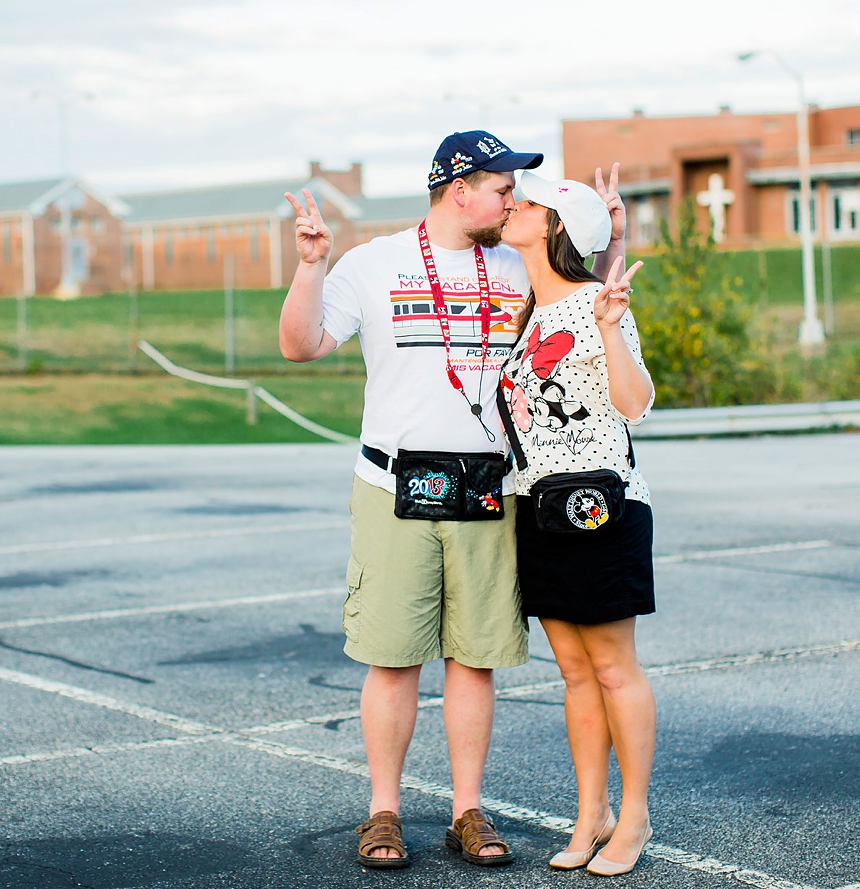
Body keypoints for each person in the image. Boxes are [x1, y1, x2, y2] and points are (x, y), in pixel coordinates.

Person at [277, 132, 625, 870]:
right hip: (393, 485)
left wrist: (602, 234)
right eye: (503, 188)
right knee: (393, 657)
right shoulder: (371, 264)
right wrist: (310, 268)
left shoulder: (518, 262)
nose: (513, 201)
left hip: (490, 486)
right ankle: (384, 812)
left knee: (474, 659)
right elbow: (300, 344)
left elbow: (579, 304)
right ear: (456, 187)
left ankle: (468, 808)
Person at [496, 166, 657, 877]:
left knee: (615, 668)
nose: (511, 208)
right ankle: (590, 811)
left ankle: (635, 815)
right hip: (536, 504)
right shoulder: (529, 311)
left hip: (601, 505)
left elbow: (634, 402)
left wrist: (612, 330)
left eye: (524, 204)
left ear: (552, 226)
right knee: (573, 672)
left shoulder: (596, 304)